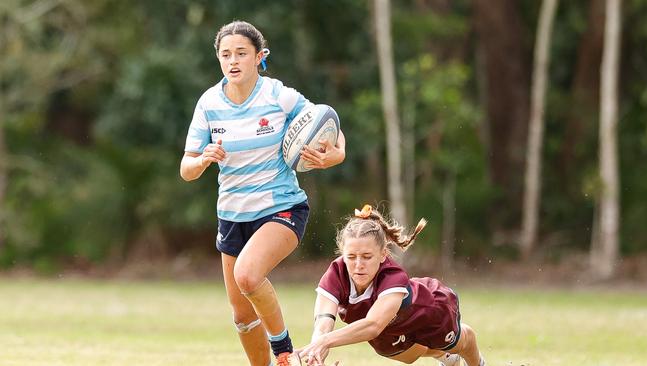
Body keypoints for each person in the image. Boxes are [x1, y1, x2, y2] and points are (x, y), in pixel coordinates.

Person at [180, 20, 346, 366]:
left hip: (281, 208)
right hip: (232, 215)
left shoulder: (277, 96)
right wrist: (204, 159)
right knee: (241, 315)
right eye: (226, 54)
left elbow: (326, 119)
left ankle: (285, 353)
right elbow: (186, 167)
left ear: (259, 56)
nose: (233, 61)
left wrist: (336, 154)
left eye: (241, 53)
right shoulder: (209, 103)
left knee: (248, 275)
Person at [295, 205, 485, 366]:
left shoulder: (392, 276)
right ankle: (444, 355)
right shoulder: (335, 274)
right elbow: (322, 325)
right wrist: (316, 352)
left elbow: (373, 325)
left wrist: (325, 342)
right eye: (351, 257)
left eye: (367, 257)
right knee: (409, 357)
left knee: (459, 344)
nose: (358, 264)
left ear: (383, 254)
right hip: (387, 331)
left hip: (428, 311)